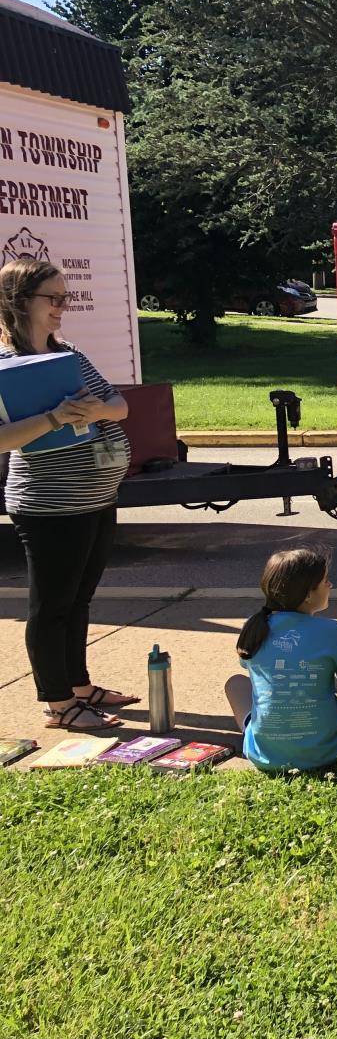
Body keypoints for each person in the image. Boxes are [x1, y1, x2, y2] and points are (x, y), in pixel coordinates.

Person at [0, 259, 136, 732]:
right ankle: (58, 704)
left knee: (80, 599)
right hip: (49, 505)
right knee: (51, 606)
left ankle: (79, 686)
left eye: (65, 298)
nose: (63, 308)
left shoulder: (69, 353)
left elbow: (119, 405)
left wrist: (98, 407)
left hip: (97, 497)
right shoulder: (3, 366)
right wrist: (54, 418)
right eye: (53, 299)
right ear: (20, 302)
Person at [224, 548, 337, 771]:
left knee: (235, 682)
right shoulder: (332, 631)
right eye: (325, 581)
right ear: (308, 594)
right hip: (325, 751)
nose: (330, 585)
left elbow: (256, 675)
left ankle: (265, 736)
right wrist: (332, 685)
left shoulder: (252, 627)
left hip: (263, 754)